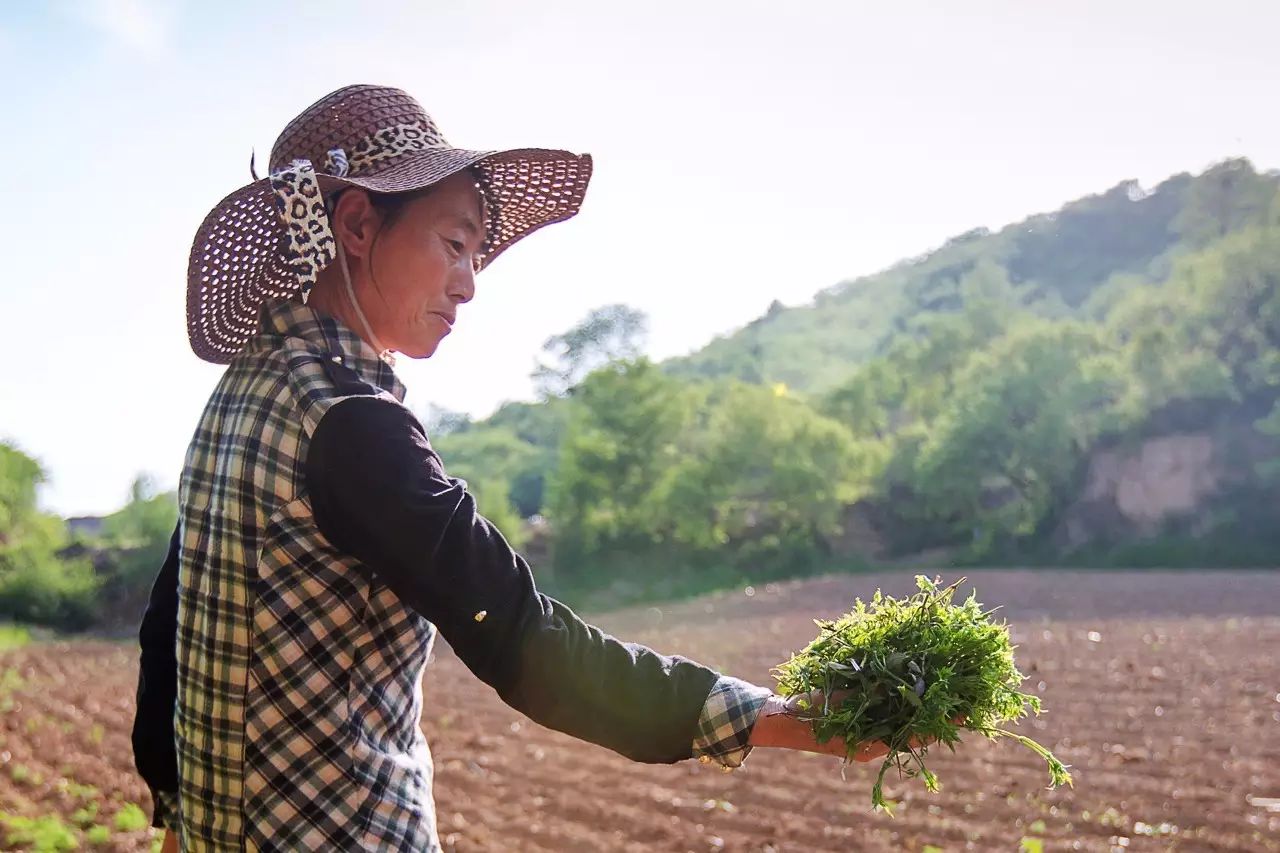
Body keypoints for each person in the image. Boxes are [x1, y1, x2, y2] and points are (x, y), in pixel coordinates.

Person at [132, 84, 898, 852]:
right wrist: (786, 719)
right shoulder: (352, 425)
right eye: (453, 244)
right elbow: (522, 634)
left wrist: (176, 805)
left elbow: (177, 607)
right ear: (359, 225)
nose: (468, 283)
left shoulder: (248, 388)